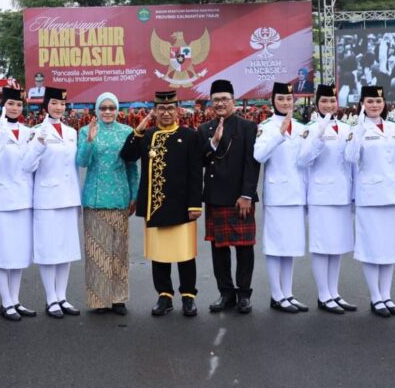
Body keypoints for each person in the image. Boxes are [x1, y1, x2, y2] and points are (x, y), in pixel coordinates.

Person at [120, 90, 203, 317]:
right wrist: (139, 129)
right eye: (161, 109)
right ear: (155, 111)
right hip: (155, 205)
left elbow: (196, 172)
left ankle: (188, 296)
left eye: (170, 108)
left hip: (182, 205)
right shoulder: (148, 135)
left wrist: (195, 204)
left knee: (185, 254)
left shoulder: (189, 136)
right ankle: (164, 296)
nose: (166, 113)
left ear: (177, 111)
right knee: (159, 254)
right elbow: (128, 155)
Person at [344, 85, 395, 318]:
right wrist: (360, 131)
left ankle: (387, 295)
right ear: (362, 104)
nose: (374, 105)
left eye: (378, 101)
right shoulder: (356, 128)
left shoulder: (394, 128)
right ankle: (375, 297)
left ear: (384, 103)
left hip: (392, 194)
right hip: (369, 197)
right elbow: (350, 157)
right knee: (372, 248)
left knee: (390, 248)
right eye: (370, 101)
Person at [198, 79, 260, 314]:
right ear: (210, 102)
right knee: (219, 249)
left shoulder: (248, 127)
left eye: (225, 99)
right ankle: (225, 293)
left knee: (245, 248)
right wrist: (213, 143)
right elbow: (200, 161)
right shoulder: (205, 129)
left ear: (233, 101)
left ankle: (244, 295)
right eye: (216, 100)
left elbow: (252, 163)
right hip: (216, 195)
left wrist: (246, 194)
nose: (220, 103)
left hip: (240, 197)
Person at [22, 87, 82, 319]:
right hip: (46, 198)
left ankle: (62, 296)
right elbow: (27, 166)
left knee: (66, 250)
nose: (58, 107)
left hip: (69, 197)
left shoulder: (71, 132)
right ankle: (51, 298)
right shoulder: (36, 131)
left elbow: (74, 166)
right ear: (46, 105)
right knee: (48, 250)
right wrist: (38, 144)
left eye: (62, 104)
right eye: (54, 103)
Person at [77, 92, 139, 315]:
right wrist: (89, 141)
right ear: (97, 109)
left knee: (119, 251)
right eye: (103, 108)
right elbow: (82, 161)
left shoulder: (127, 132)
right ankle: (99, 300)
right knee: (97, 252)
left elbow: (132, 166)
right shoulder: (86, 131)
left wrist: (134, 195)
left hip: (120, 197)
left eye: (112, 107)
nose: (107, 111)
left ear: (117, 110)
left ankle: (118, 298)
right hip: (95, 199)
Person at [297, 84, 357, 314]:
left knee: (337, 246)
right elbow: (303, 160)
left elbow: (351, 163)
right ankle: (323, 294)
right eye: (324, 101)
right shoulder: (311, 128)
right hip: (321, 195)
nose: (329, 105)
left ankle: (334, 292)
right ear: (317, 104)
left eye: (332, 101)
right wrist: (319, 138)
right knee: (322, 246)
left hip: (342, 193)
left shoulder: (346, 128)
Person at [253, 82, 308, 314]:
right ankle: (276, 295)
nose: (286, 103)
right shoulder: (266, 127)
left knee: (291, 247)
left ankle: (288, 293)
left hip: (297, 193)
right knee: (276, 247)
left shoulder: (301, 127)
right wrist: (279, 134)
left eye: (289, 99)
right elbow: (259, 155)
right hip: (277, 195)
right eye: (281, 99)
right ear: (273, 101)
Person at [0, 87, 37, 321]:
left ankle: (15, 300)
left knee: (18, 253)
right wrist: (0, 135)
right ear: (3, 106)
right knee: (1, 252)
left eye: (18, 104)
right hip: (3, 200)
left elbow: (32, 166)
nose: (15, 108)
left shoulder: (29, 133)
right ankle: (5, 301)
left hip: (24, 199)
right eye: (10, 104)